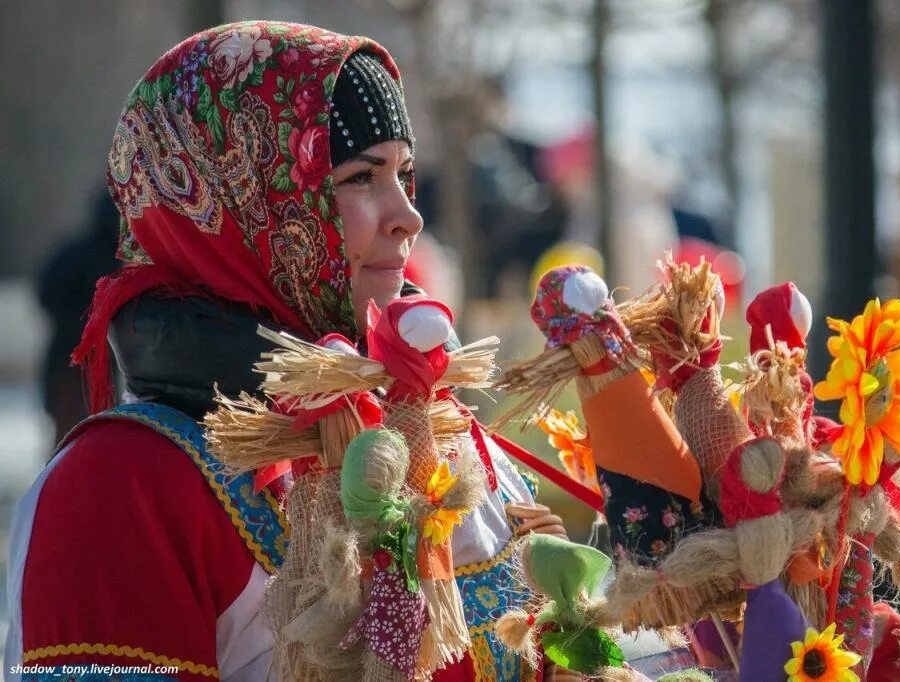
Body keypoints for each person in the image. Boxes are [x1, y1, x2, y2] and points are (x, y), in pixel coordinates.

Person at [5, 21, 560, 681]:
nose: (407, 215)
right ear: (243, 201)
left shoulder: (441, 433)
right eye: (360, 177)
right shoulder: (122, 486)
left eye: (404, 173)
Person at [35, 191, 119, 444]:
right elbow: (47, 294)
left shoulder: (114, 260)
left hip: (100, 360)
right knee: (69, 433)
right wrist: (81, 327)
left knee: (102, 430)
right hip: (70, 359)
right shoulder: (79, 255)